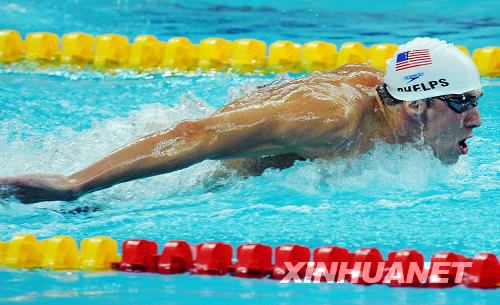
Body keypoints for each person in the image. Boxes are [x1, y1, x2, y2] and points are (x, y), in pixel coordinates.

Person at [0, 37, 483, 204]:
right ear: (417, 105)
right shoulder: (333, 121)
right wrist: (76, 181)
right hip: (187, 175)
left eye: (475, 101)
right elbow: (197, 135)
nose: (476, 121)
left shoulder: (396, 110)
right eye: (462, 104)